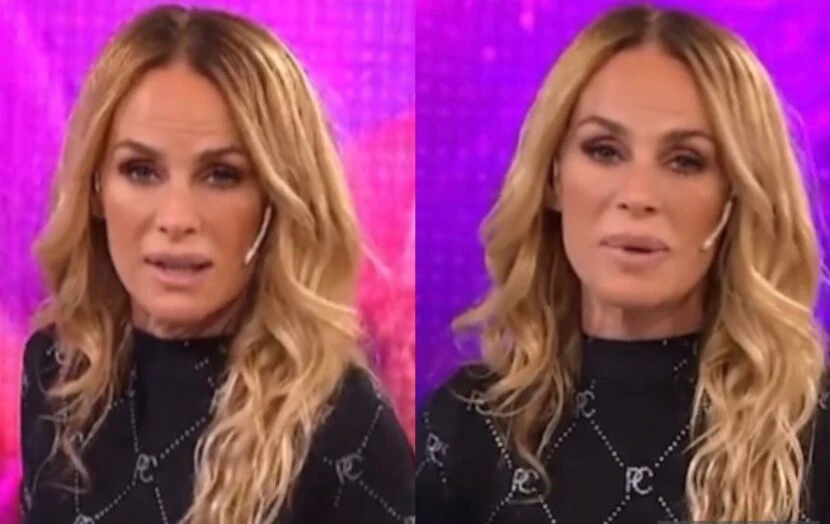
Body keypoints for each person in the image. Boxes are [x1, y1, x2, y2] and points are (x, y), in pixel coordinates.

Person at [416, 5, 830, 523]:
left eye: (685, 161)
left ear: (738, 197)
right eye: (605, 150)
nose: (637, 195)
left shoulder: (812, 426)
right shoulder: (465, 424)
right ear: (553, 178)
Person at [20, 5, 414, 524]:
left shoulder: (341, 422)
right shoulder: (54, 372)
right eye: (140, 170)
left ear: (276, 201)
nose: (176, 219)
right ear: (95, 188)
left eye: (222, 175)